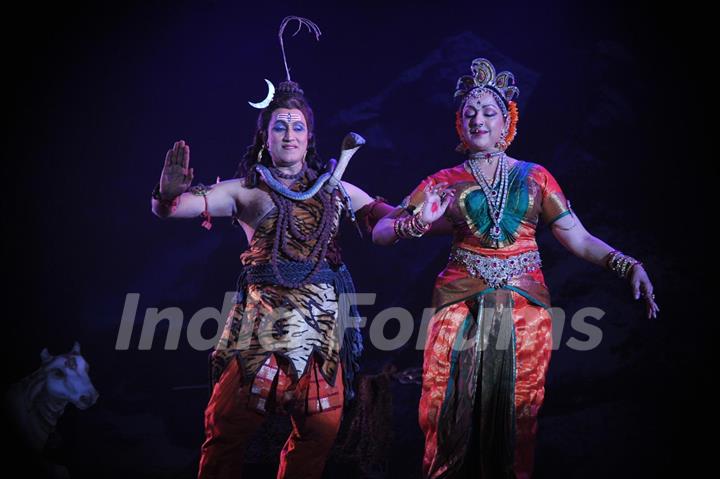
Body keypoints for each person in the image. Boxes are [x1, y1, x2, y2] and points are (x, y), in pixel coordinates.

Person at [371, 58, 659, 478]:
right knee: (445, 407)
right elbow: (381, 230)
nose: (478, 120)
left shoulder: (536, 177)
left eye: (489, 112)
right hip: (459, 303)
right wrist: (416, 222)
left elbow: (577, 238)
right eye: (469, 113)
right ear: (459, 124)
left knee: (517, 413)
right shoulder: (443, 180)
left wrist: (626, 264)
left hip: (523, 307)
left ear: (507, 121)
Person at [151, 17, 383, 479]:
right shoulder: (246, 190)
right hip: (261, 326)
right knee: (225, 425)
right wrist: (165, 195)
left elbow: (388, 222)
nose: (290, 135)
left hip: (318, 329)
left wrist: (424, 213)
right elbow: (175, 209)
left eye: (298, 127)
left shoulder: (335, 188)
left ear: (309, 137)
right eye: (280, 127)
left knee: (321, 428)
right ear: (266, 136)